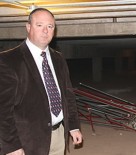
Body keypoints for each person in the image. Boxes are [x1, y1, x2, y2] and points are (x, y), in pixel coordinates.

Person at [0, 8, 83, 155]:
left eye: (50, 26)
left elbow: (68, 95)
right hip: (27, 140)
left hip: (58, 134)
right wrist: (11, 145)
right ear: (28, 27)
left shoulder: (58, 58)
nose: (45, 30)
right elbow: (3, 109)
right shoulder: (8, 60)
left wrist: (74, 126)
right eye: (40, 25)